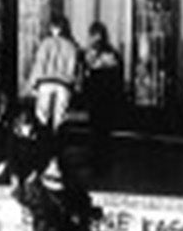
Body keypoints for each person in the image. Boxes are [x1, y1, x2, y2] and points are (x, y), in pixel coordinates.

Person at [28, 15, 83, 136]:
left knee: (42, 115)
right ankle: (57, 141)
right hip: (64, 83)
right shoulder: (71, 46)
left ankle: (43, 142)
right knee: (60, 117)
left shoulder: (45, 43)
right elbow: (74, 68)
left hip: (45, 82)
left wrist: (32, 84)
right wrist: (76, 85)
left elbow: (39, 64)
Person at [81, 22, 124, 174]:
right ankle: (103, 160)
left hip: (96, 97)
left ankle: (97, 160)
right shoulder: (112, 54)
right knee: (104, 131)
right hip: (108, 98)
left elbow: (87, 75)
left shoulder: (92, 54)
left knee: (96, 129)